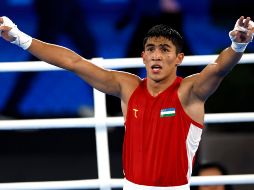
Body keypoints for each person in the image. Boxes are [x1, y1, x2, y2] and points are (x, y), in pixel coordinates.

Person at [0, 15, 253, 190]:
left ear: (179, 58)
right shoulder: (128, 87)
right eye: (151, 48)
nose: (156, 54)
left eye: (165, 49)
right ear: (143, 56)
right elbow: (73, 62)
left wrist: (238, 44)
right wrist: (19, 37)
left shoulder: (190, 92)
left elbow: (218, 69)